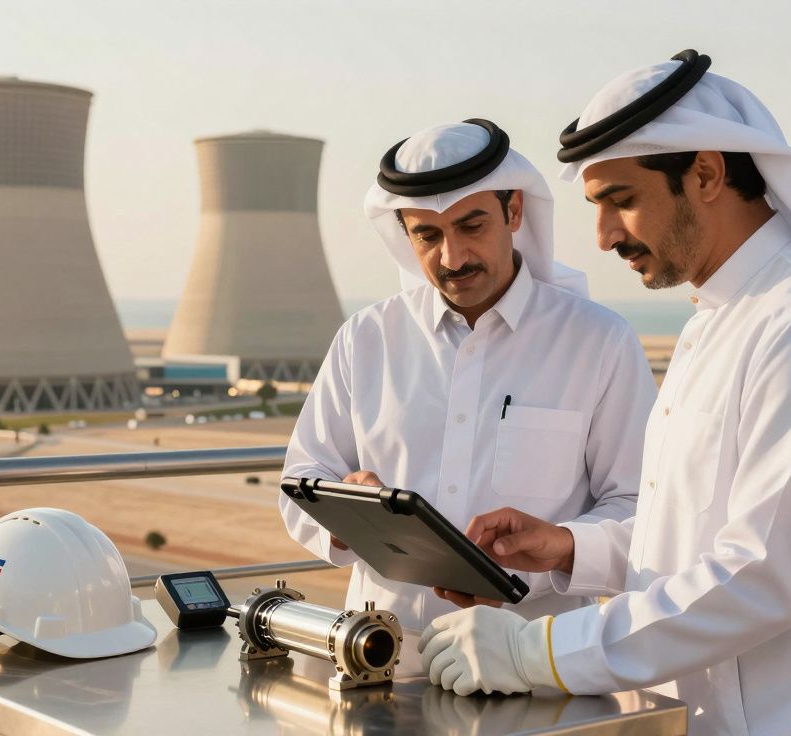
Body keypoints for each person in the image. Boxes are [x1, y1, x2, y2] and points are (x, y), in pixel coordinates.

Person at [419, 52, 791, 736]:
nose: (604, 237)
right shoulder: (720, 317)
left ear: (705, 173)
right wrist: (567, 548)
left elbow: (763, 574)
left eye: (621, 201)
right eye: (596, 207)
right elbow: (694, 535)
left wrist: (536, 652)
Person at [280, 119, 656, 633]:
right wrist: (349, 513)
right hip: (382, 652)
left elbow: (641, 507)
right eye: (428, 236)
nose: (452, 257)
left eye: (471, 227)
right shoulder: (366, 338)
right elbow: (302, 479)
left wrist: (562, 544)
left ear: (514, 211)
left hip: (536, 654)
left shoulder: (599, 341)